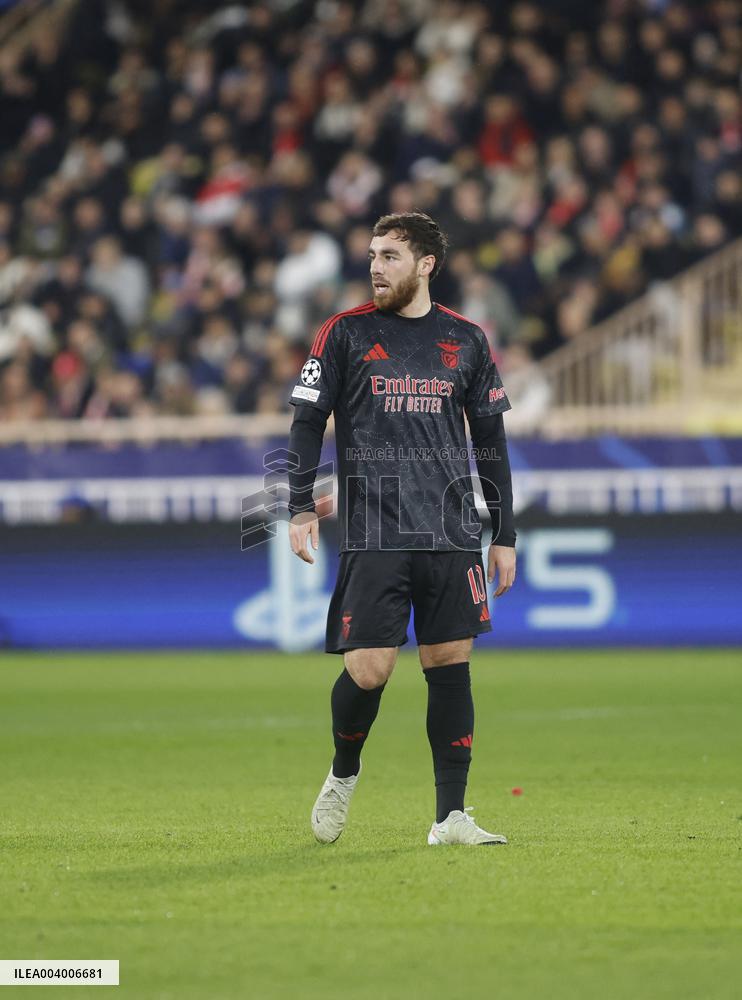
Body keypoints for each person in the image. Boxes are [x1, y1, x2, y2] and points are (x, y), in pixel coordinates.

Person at [286, 211, 516, 846]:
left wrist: (504, 533)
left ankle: (451, 817)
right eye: (372, 255)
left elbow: (491, 445)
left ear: (426, 265)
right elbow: (307, 423)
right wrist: (299, 502)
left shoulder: (466, 339)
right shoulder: (344, 333)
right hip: (375, 533)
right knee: (370, 670)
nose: (375, 267)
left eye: (389, 255)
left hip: (449, 532)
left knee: (450, 663)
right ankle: (342, 773)